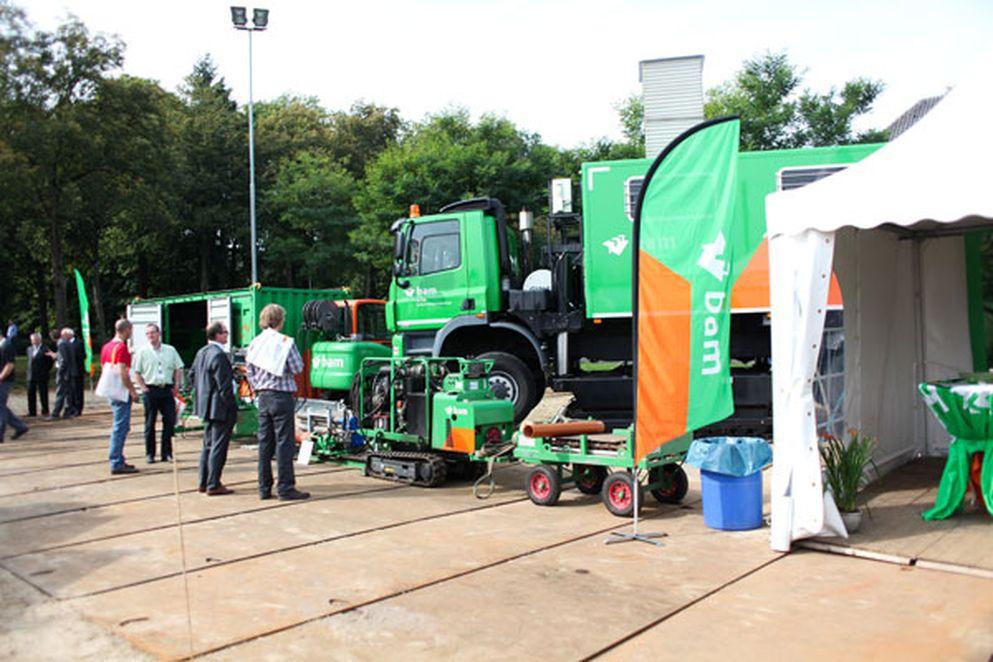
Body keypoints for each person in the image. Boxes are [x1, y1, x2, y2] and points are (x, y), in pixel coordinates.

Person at [246, 303, 309, 501]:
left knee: (265, 443)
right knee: (284, 443)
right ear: (280, 320)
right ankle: (285, 487)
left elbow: (250, 372)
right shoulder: (285, 342)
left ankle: (264, 488)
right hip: (281, 395)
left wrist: (259, 387)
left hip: (263, 396)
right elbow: (298, 367)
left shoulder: (255, 342)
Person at [191, 321, 237, 496]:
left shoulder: (201, 352)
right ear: (218, 335)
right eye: (225, 332)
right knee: (218, 446)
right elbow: (224, 386)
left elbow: (192, 375)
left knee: (208, 445)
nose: (227, 335)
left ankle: (203, 482)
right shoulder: (219, 355)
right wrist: (232, 407)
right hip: (219, 408)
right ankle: (213, 483)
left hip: (205, 406)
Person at [132, 323, 184, 463]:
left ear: (159, 333)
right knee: (150, 423)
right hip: (151, 389)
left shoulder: (170, 350)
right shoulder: (142, 352)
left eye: (153, 333)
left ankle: (166, 453)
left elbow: (178, 367)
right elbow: (136, 372)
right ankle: (150, 454)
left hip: (166, 388)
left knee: (169, 421)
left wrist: (176, 384)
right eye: (148, 333)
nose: (151, 336)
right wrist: (143, 387)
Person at [101, 319, 140, 474]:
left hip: (111, 390)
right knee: (120, 427)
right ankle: (116, 461)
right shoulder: (121, 347)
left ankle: (118, 458)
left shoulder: (107, 347)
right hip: (120, 391)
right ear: (126, 330)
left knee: (121, 425)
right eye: (131, 330)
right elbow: (123, 373)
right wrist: (133, 391)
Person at [0, 335, 28, 443]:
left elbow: (10, 364)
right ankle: (20, 426)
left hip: (4, 380)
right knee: (2, 406)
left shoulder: (7, 345)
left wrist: (1, 377)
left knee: (0, 406)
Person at [26, 332, 53, 417]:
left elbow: (50, 362)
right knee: (30, 393)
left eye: (35, 340)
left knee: (43, 393)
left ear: (39, 339)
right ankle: (32, 411)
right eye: (32, 340)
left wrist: (45, 370)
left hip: (42, 374)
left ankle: (45, 410)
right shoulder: (29, 349)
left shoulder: (45, 348)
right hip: (31, 375)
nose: (33, 342)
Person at [49, 328, 74, 419]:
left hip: (64, 372)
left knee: (60, 392)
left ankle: (56, 413)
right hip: (68, 371)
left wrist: (60, 371)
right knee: (67, 393)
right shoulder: (66, 343)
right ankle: (67, 412)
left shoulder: (61, 344)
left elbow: (64, 360)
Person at [68, 328, 86, 415]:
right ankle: (71, 407)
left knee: (78, 390)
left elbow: (83, 355)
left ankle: (78, 408)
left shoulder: (79, 343)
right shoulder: (65, 343)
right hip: (69, 371)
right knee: (71, 390)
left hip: (77, 370)